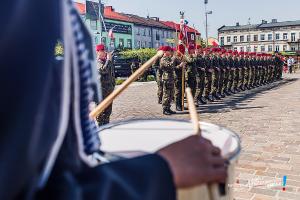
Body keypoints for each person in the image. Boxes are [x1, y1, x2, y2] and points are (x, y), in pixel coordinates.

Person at [1, 1, 228, 199]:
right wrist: (159, 171)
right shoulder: (20, 12)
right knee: (158, 100)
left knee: (105, 114)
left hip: (103, 99)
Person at [95, 44, 115, 126]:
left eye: (104, 51)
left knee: (108, 112)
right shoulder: (97, 62)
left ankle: (106, 127)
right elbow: (103, 70)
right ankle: (100, 129)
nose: (103, 52)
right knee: (100, 113)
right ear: (97, 52)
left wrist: (113, 85)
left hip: (109, 91)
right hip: (100, 93)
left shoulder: (107, 61)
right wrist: (108, 60)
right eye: (101, 51)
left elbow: (112, 74)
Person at [160, 46, 177, 115]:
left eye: (170, 51)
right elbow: (169, 65)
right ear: (165, 52)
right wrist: (173, 59)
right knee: (166, 94)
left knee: (171, 94)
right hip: (166, 78)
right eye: (168, 51)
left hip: (171, 78)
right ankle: (165, 109)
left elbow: (173, 66)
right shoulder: (163, 59)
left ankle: (168, 108)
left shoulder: (169, 58)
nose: (170, 52)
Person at [173, 44, 186, 111]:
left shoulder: (183, 58)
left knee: (182, 92)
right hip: (177, 77)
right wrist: (180, 66)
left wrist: (184, 66)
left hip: (182, 76)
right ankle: (177, 105)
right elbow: (173, 68)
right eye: (180, 50)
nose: (181, 52)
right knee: (178, 92)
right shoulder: (174, 58)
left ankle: (181, 104)